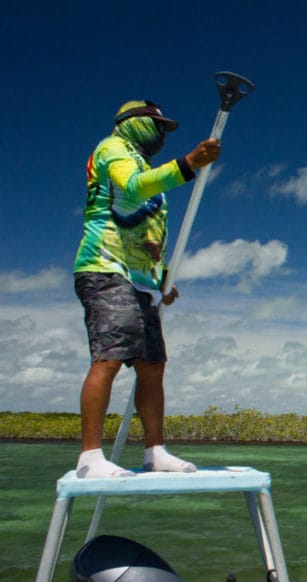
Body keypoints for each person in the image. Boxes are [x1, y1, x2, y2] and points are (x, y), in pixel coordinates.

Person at [73, 100, 221, 478]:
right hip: (105, 268)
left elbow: (152, 234)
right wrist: (188, 164)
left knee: (153, 366)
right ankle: (90, 457)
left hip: (141, 284)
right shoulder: (112, 149)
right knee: (108, 358)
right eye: (157, 125)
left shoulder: (148, 168)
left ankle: (155, 451)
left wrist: (161, 279)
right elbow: (135, 189)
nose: (161, 134)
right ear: (133, 122)